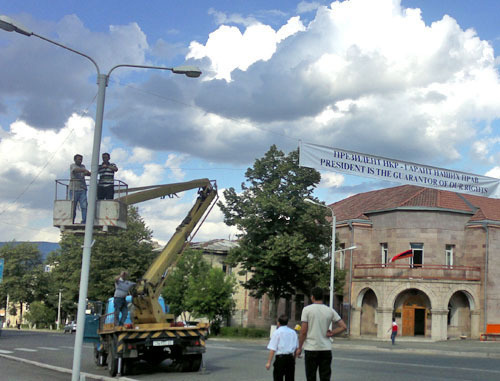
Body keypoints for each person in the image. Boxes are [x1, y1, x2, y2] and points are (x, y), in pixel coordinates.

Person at [296, 287, 347, 381]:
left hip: (311, 348)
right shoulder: (329, 310)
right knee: (325, 377)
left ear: (312, 297)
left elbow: (303, 331)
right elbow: (343, 326)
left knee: (311, 377)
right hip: (325, 348)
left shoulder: (307, 310)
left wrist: (299, 347)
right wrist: (333, 332)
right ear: (322, 297)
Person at [266, 314, 299, 381]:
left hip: (280, 358)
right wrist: (294, 359)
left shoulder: (277, 332)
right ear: (287, 322)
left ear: (278, 323)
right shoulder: (293, 332)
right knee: (290, 378)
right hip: (290, 358)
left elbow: (273, 348)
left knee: (278, 377)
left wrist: (269, 362)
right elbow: (296, 348)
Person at [69, 154, 91, 224]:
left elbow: (86, 173)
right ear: (75, 160)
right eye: (79, 159)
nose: (80, 161)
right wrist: (84, 170)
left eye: (81, 159)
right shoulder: (73, 165)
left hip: (82, 188)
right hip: (73, 189)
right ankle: (71, 221)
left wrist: (88, 173)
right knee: (73, 206)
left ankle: (84, 221)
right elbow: (75, 170)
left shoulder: (83, 166)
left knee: (84, 205)